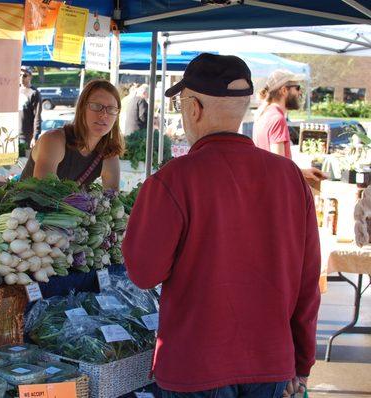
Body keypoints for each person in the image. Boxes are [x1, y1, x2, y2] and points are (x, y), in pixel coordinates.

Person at [122, 54, 321, 398]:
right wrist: (301, 362)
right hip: (270, 364)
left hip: (195, 366)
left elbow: (143, 272)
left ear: (194, 108)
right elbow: (308, 281)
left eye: (182, 104)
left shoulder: (172, 180)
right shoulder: (290, 177)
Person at [20, 79, 124, 189]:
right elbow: (43, 193)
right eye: (96, 106)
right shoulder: (54, 140)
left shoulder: (108, 153)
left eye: (111, 109)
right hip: (23, 205)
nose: (104, 115)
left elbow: (113, 199)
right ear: (82, 108)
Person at [253, 69, 326, 182]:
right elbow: (278, 166)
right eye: (297, 88)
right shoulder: (277, 119)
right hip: (276, 190)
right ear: (284, 90)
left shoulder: (263, 114)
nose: (299, 93)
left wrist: (303, 172)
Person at [19, 66, 42, 146]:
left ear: (30, 77)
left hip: (26, 136)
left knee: (24, 158)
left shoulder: (34, 93)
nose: (21, 77)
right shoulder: (14, 90)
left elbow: (37, 116)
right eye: (20, 75)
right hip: (12, 134)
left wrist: (35, 136)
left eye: (24, 75)